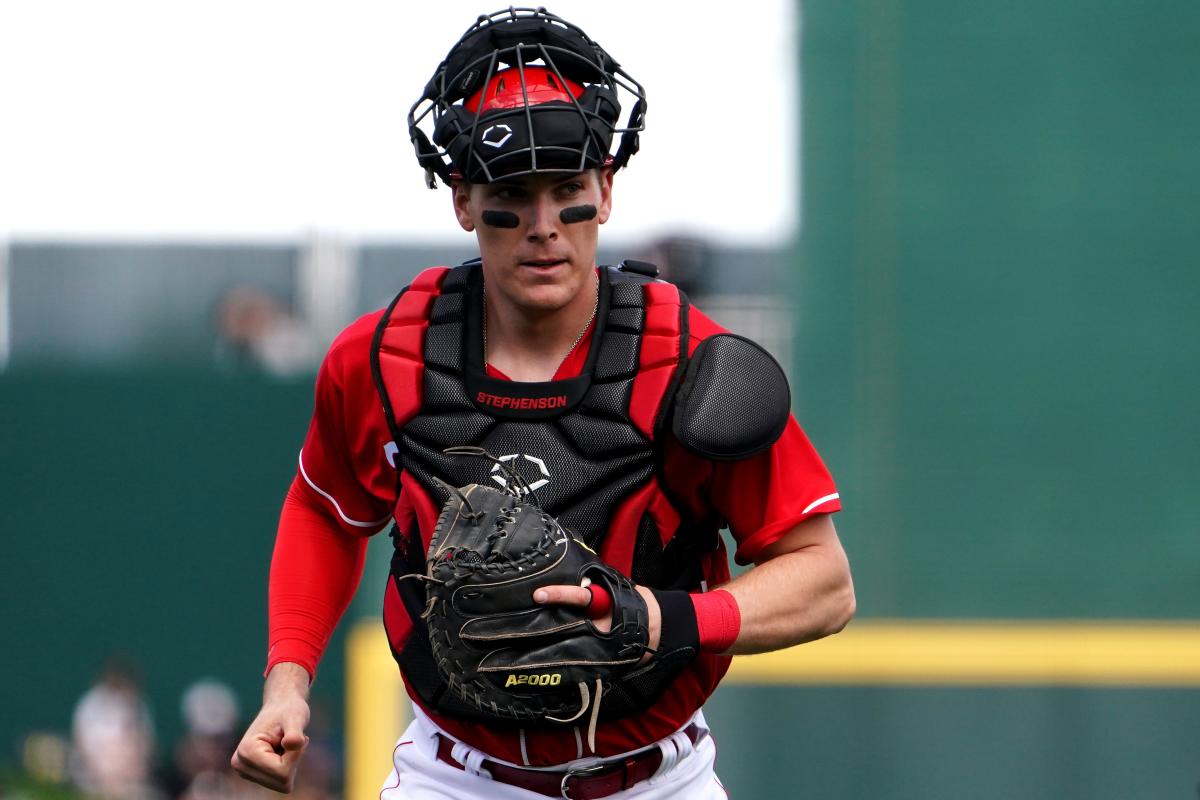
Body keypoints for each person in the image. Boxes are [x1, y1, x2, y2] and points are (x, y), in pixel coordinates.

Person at [231, 8, 854, 798]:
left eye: (568, 192)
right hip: (456, 778)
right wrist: (287, 682)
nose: (543, 227)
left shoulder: (690, 363)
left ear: (607, 190)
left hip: (657, 778)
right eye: (512, 196)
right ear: (462, 199)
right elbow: (325, 510)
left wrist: (659, 620)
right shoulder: (383, 359)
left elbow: (825, 582)